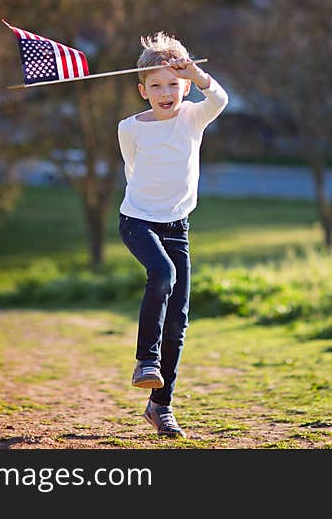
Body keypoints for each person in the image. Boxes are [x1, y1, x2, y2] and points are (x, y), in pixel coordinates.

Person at [117, 31, 228, 438]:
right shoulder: (130, 128)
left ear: (184, 86)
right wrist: (149, 209)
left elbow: (219, 100)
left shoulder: (193, 117)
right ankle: (146, 361)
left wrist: (195, 72)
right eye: (157, 85)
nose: (166, 92)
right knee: (162, 274)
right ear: (142, 89)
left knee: (179, 319)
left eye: (174, 84)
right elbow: (133, 170)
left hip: (177, 226)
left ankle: (160, 406)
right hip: (138, 221)